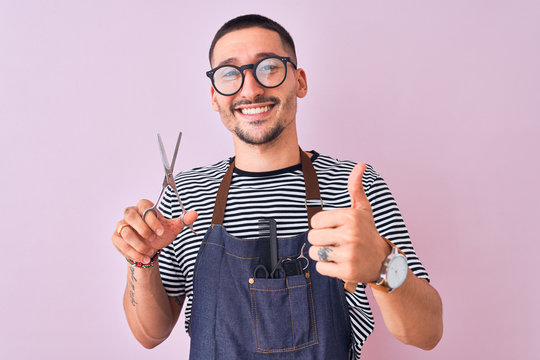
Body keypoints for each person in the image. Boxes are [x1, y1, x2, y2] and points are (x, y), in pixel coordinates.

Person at [111, 14, 443, 359]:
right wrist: (141, 259)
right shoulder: (186, 196)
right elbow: (149, 334)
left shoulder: (354, 187)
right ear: (214, 96)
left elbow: (428, 332)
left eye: (269, 67)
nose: (250, 89)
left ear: (299, 81)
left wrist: (383, 264)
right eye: (229, 74)